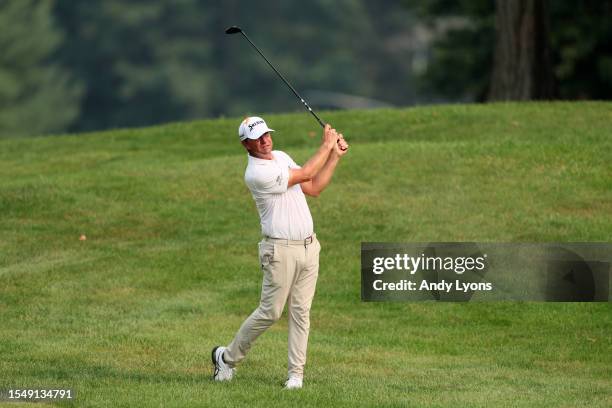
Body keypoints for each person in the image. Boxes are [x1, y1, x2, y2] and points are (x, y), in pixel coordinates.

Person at [212, 116, 349, 389]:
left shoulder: (282, 157)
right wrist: (325, 145)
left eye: (266, 134)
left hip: (309, 247)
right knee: (270, 312)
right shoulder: (256, 173)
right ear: (246, 145)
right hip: (279, 251)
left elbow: (313, 187)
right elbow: (308, 173)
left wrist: (334, 155)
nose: (265, 141)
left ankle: (296, 376)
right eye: (257, 138)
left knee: (301, 312)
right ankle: (226, 358)